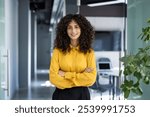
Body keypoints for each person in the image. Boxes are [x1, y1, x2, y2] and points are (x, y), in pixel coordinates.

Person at [49, 14, 97, 100]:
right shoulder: (57, 51)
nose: (73, 31)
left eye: (76, 27)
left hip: (82, 96)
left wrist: (66, 74)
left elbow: (91, 79)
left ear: (82, 29)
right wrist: (82, 76)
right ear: (65, 30)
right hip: (61, 96)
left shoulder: (89, 52)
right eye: (69, 27)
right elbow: (53, 78)